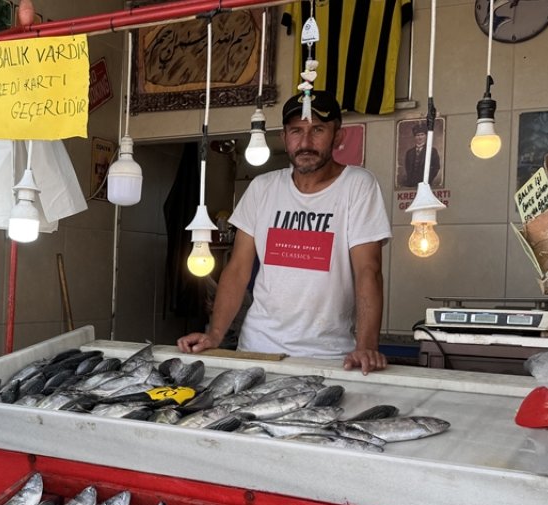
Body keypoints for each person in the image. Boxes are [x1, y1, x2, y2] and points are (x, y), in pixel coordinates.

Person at [177, 90, 390, 374]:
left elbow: (369, 270)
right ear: (284, 138)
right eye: (296, 131)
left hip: (328, 356)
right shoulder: (262, 188)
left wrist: (366, 345)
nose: (305, 142)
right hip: (257, 351)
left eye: (318, 130)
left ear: (338, 136)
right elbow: (238, 269)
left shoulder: (358, 186)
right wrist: (215, 335)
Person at [401, 121, 441, 187]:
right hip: (411, 184)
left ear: (426, 136)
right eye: (417, 135)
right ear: (414, 137)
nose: (420, 137)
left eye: (422, 135)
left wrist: (427, 180)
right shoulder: (409, 152)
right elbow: (408, 168)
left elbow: (436, 167)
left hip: (425, 184)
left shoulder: (432, 151)